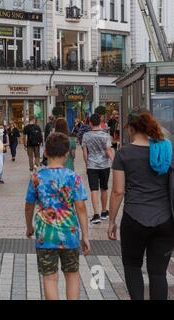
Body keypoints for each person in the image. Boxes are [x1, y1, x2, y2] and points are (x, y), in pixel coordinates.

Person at [108, 109, 174, 300]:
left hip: (134, 219)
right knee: (158, 273)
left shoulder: (124, 154)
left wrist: (111, 221)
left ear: (130, 128)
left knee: (132, 267)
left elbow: (118, 191)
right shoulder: (165, 150)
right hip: (165, 221)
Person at [25, 132, 90, 300]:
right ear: (67, 153)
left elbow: (29, 205)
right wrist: (85, 235)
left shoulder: (36, 177)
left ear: (45, 152)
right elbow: (81, 208)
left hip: (44, 235)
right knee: (72, 274)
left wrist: (29, 227)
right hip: (69, 233)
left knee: (50, 277)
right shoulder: (73, 177)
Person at [81, 113, 114, 224]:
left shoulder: (86, 136)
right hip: (105, 165)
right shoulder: (105, 135)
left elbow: (85, 152)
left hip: (92, 166)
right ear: (100, 122)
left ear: (90, 123)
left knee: (94, 189)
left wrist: (87, 164)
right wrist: (114, 162)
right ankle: (104, 211)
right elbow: (109, 151)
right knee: (104, 188)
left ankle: (96, 214)